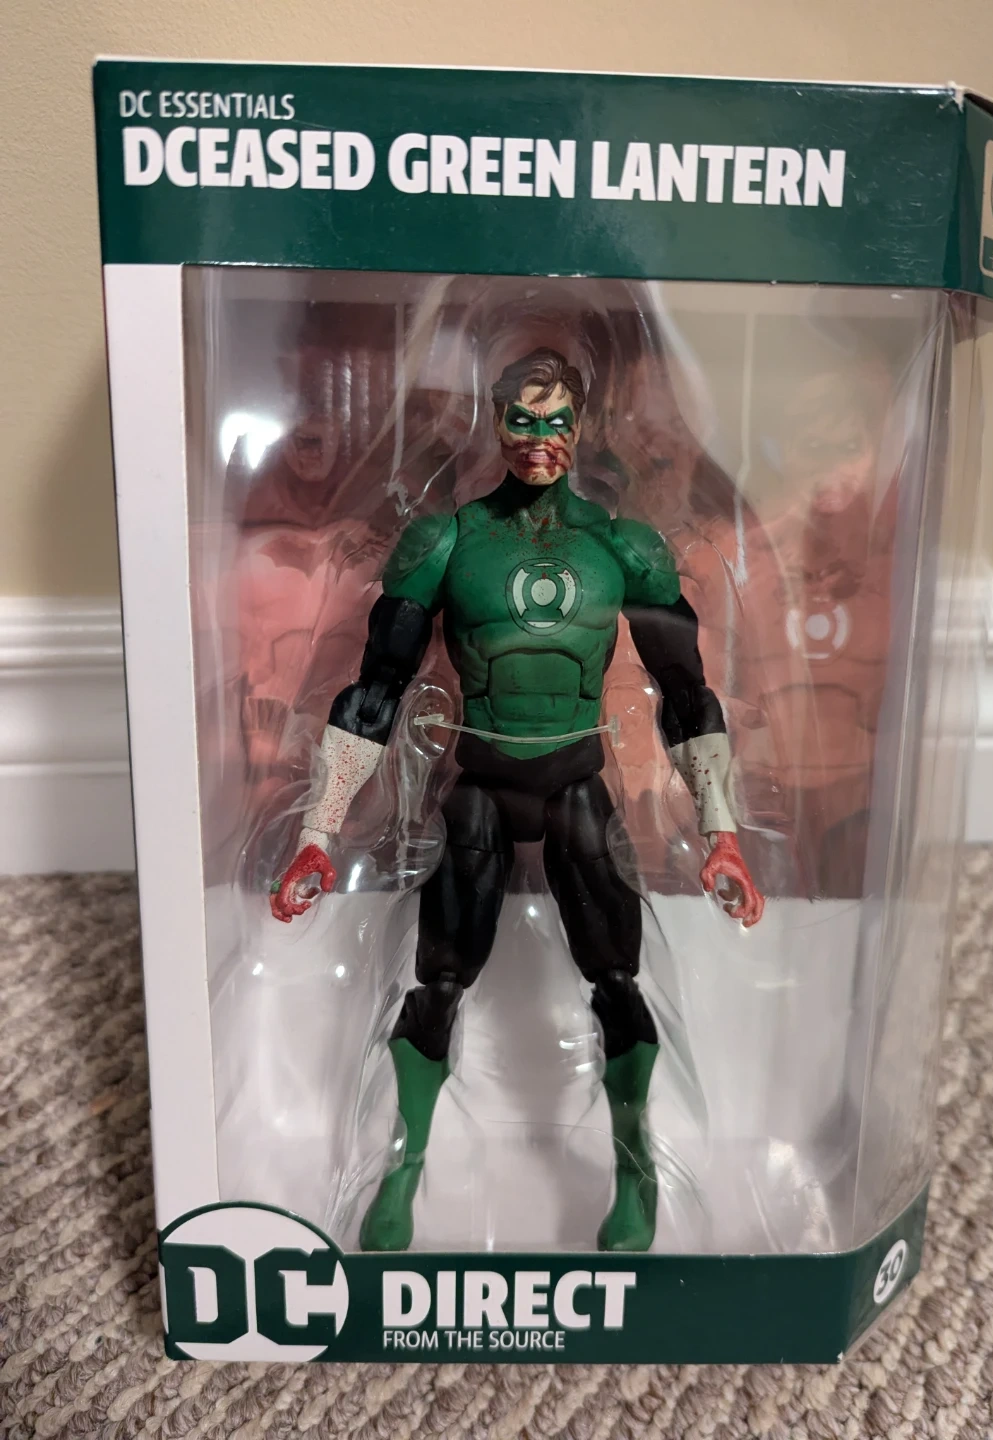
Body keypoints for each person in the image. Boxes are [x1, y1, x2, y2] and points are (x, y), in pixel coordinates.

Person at [270, 347, 764, 1253]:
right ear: (496, 422)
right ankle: (405, 1165)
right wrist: (318, 833)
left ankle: (637, 1168)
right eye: (523, 420)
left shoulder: (624, 548)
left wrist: (721, 832)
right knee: (437, 980)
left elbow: (688, 693)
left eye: (558, 421)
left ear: (583, 426)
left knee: (616, 978)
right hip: (483, 787)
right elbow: (375, 688)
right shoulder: (446, 543)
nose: (541, 440)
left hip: (575, 781)